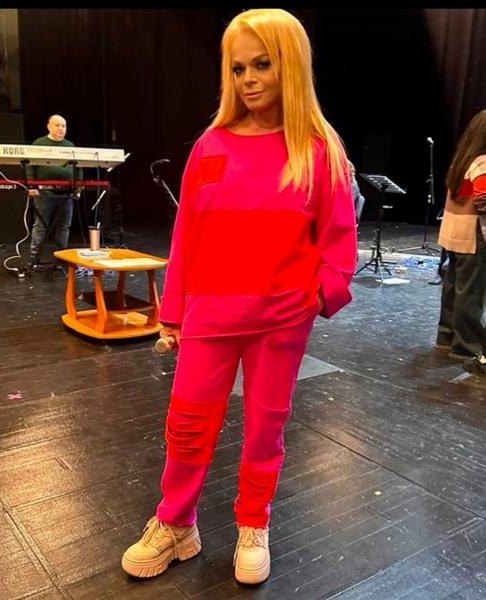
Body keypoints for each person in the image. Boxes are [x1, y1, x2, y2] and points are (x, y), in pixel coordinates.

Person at [121, 8, 357, 585]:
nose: (249, 79)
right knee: (187, 425)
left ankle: (254, 522)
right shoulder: (211, 145)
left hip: (281, 320)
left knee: (264, 429)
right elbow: (188, 234)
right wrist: (172, 312)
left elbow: (338, 237)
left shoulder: (317, 149)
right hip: (209, 316)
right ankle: (176, 523)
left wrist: (317, 296)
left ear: (291, 66)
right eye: (238, 67)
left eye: (263, 64)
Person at [435, 108, 486, 363]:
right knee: (471, 291)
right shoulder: (482, 162)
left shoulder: (462, 160)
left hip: (453, 231)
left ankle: (446, 337)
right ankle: (467, 344)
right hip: (472, 234)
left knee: (453, 286)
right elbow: (483, 198)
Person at [26, 114, 82, 269]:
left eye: (63, 126)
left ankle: (61, 259)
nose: (61, 128)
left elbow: (79, 167)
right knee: (41, 226)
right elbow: (29, 165)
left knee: (64, 226)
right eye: (57, 125)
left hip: (66, 192)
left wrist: (78, 187)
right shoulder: (39, 143)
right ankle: (34, 259)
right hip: (44, 192)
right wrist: (31, 186)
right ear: (49, 126)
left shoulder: (70, 145)